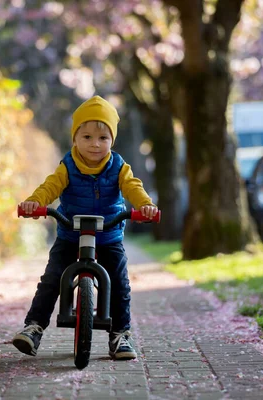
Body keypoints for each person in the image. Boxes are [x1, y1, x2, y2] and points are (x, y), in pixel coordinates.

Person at [13, 95, 158, 360]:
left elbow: (132, 187)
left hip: (108, 235)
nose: (95, 144)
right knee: (52, 278)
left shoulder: (119, 167)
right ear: (75, 138)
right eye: (87, 137)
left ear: (112, 140)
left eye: (103, 138)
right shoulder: (67, 166)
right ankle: (34, 328)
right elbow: (50, 187)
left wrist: (145, 205)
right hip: (71, 233)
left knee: (120, 283)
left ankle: (120, 335)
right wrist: (35, 202)